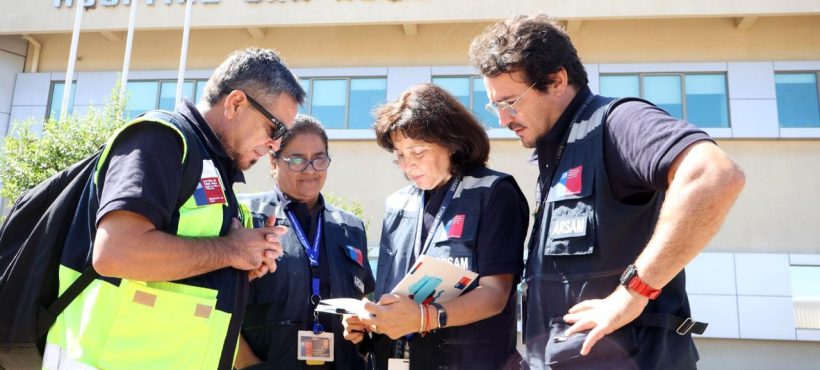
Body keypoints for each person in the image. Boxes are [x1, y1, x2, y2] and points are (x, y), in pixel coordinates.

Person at [468, 15, 746, 370]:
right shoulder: (556, 156)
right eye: (496, 107)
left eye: (510, 102)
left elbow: (715, 175)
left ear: (556, 81)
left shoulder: (617, 122)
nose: (503, 120)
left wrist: (634, 292)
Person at [43, 47, 305, 370]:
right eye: (275, 129)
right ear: (236, 103)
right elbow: (115, 252)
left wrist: (236, 269)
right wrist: (230, 251)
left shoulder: (217, 173)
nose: (276, 146)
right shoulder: (162, 139)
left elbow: (178, 272)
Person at [343, 84, 530, 369]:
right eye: (400, 155)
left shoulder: (493, 192)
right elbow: (392, 296)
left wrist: (423, 317)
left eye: (417, 152)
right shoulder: (398, 204)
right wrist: (370, 322)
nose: (408, 166)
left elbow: (496, 294)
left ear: (452, 142)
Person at [233, 115, 375, 370]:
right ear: (273, 162)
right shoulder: (244, 215)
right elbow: (219, 301)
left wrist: (361, 328)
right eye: (297, 160)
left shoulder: (351, 227)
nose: (310, 170)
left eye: (319, 159)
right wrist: (246, 364)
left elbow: (363, 299)